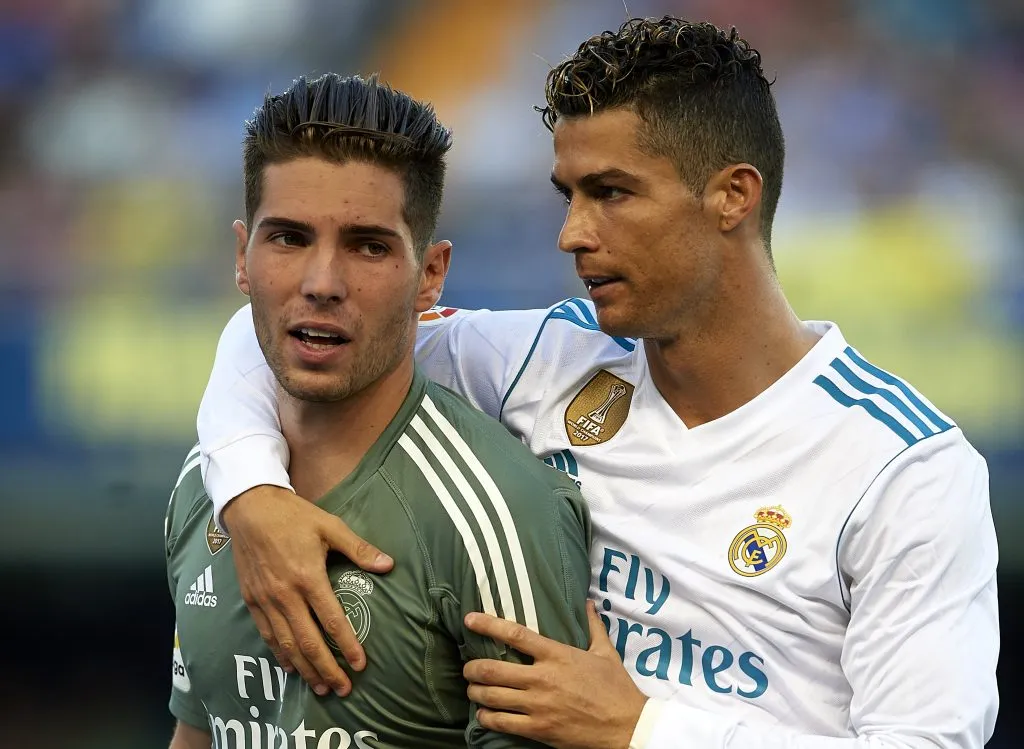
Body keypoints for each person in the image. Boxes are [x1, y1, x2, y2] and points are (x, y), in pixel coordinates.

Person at [194, 18, 999, 749]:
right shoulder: (545, 360)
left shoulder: (906, 469)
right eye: (568, 195)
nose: (572, 234)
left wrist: (642, 729)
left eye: (611, 193)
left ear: (733, 196)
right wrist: (253, 493)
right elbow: (291, 333)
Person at [164, 71, 594, 749]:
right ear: (241, 257)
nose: (322, 283)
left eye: (368, 245)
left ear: (431, 275)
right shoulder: (206, 484)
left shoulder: (500, 512)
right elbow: (200, 731)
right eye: (288, 238)